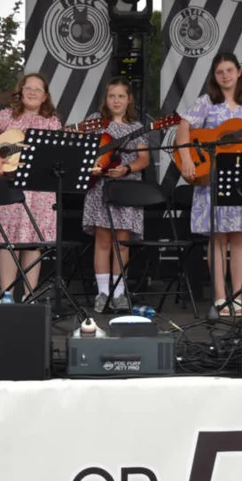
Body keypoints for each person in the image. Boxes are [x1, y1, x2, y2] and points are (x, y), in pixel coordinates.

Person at [175, 52, 242, 315]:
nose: (225, 75)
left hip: (241, 178)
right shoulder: (206, 103)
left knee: (240, 237)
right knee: (218, 237)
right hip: (212, 178)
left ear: (238, 73)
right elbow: (183, 127)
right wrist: (188, 159)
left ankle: (238, 296)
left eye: (229, 70)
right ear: (215, 75)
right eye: (220, 71)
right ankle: (221, 297)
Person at [0, 72, 61, 303]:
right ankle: (7, 295)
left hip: (38, 189)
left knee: (34, 242)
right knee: (9, 242)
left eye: (37, 89)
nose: (32, 92)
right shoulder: (5, 116)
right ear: (20, 93)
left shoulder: (52, 122)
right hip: (8, 187)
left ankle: (29, 296)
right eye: (27, 87)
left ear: (45, 97)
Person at [84, 78, 150, 313]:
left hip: (126, 187)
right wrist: (97, 166)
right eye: (112, 96)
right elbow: (83, 150)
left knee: (121, 241)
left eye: (121, 96)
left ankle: (119, 293)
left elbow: (144, 159)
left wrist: (125, 168)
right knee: (102, 240)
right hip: (100, 187)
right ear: (106, 98)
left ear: (129, 99)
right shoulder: (95, 122)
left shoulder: (136, 127)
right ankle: (103, 293)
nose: (116, 100)